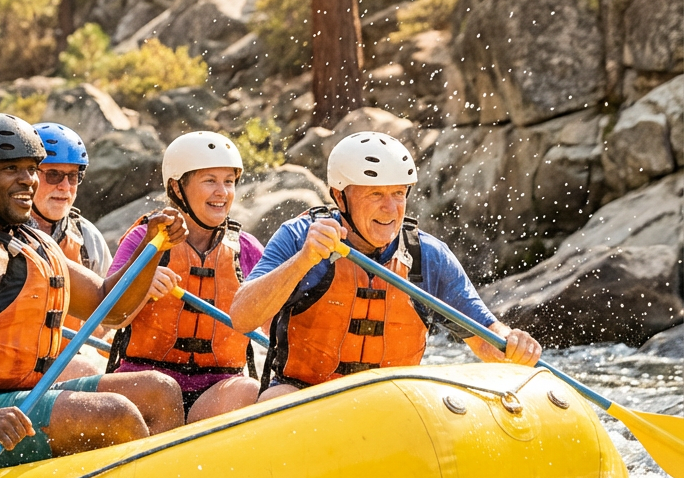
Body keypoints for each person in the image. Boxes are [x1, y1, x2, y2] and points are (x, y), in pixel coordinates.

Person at [0, 113, 186, 473]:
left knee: (159, 390)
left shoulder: (35, 244)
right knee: (113, 413)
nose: (28, 180)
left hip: (24, 400)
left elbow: (111, 308)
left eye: (31, 168)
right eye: (11, 169)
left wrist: (149, 248)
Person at [229, 131, 543, 401]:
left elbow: (485, 337)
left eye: (398, 194)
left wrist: (512, 342)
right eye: (376, 194)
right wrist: (303, 261)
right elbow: (243, 317)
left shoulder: (429, 256)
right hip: (306, 394)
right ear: (340, 196)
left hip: (390, 401)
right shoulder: (299, 237)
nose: (390, 208)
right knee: (273, 397)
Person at [107, 132, 265, 421]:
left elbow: (275, 328)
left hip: (217, 389)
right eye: (210, 181)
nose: (223, 192)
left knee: (250, 389)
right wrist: (140, 287)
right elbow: (110, 317)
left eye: (228, 181)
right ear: (177, 188)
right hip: (146, 383)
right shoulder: (145, 238)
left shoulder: (247, 249)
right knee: (160, 389)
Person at [31, 122, 113, 378]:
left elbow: (106, 319)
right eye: (53, 175)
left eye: (74, 176)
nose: (65, 187)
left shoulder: (86, 236)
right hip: (14, 368)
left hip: (72, 362)